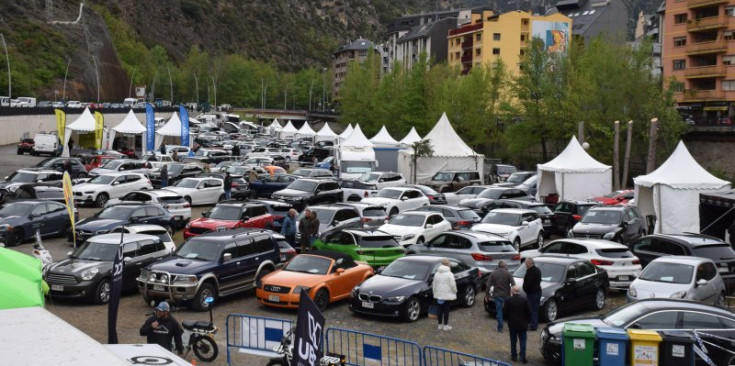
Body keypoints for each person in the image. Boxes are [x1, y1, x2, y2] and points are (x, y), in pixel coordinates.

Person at [503, 285, 531, 363]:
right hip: (523, 324)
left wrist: (507, 319)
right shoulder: (524, 300)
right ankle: (522, 356)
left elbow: (504, 312)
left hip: (512, 324)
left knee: (513, 340)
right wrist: (528, 321)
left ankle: (514, 356)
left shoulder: (508, 300)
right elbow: (529, 312)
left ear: (512, 291)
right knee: (523, 341)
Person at [487, 260, 515, 333]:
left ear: (498, 265)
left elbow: (488, 285)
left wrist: (487, 295)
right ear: (504, 266)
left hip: (497, 294)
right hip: (507, 295)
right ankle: (511, 326)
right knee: (509, 311)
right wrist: (514, 295)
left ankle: (500, 328)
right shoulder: (508, 273)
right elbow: (513, 285)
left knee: (499, 311)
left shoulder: (493, 273)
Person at [432, 259, 457, 331]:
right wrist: (455, 291)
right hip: (447, 295)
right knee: (446, 310)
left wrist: (435, 293)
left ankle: (439, 324)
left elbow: (434, 285)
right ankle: (445, 325)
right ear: (448, 265)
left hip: (439, 294)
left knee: (439, 310)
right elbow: (453, 285)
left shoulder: (437, 273)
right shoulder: (450, 274)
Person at [523, 258, 542, 331]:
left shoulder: (530, 271)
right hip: (538, 291)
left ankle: (533, 325)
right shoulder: (538, 270)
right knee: (535, 309)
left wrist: (525, 289)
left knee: (532, 309)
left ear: (529, 263)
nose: (525, 264)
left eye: (526, 263)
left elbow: (529, 283)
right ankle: (535, 324)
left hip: (532, 293)